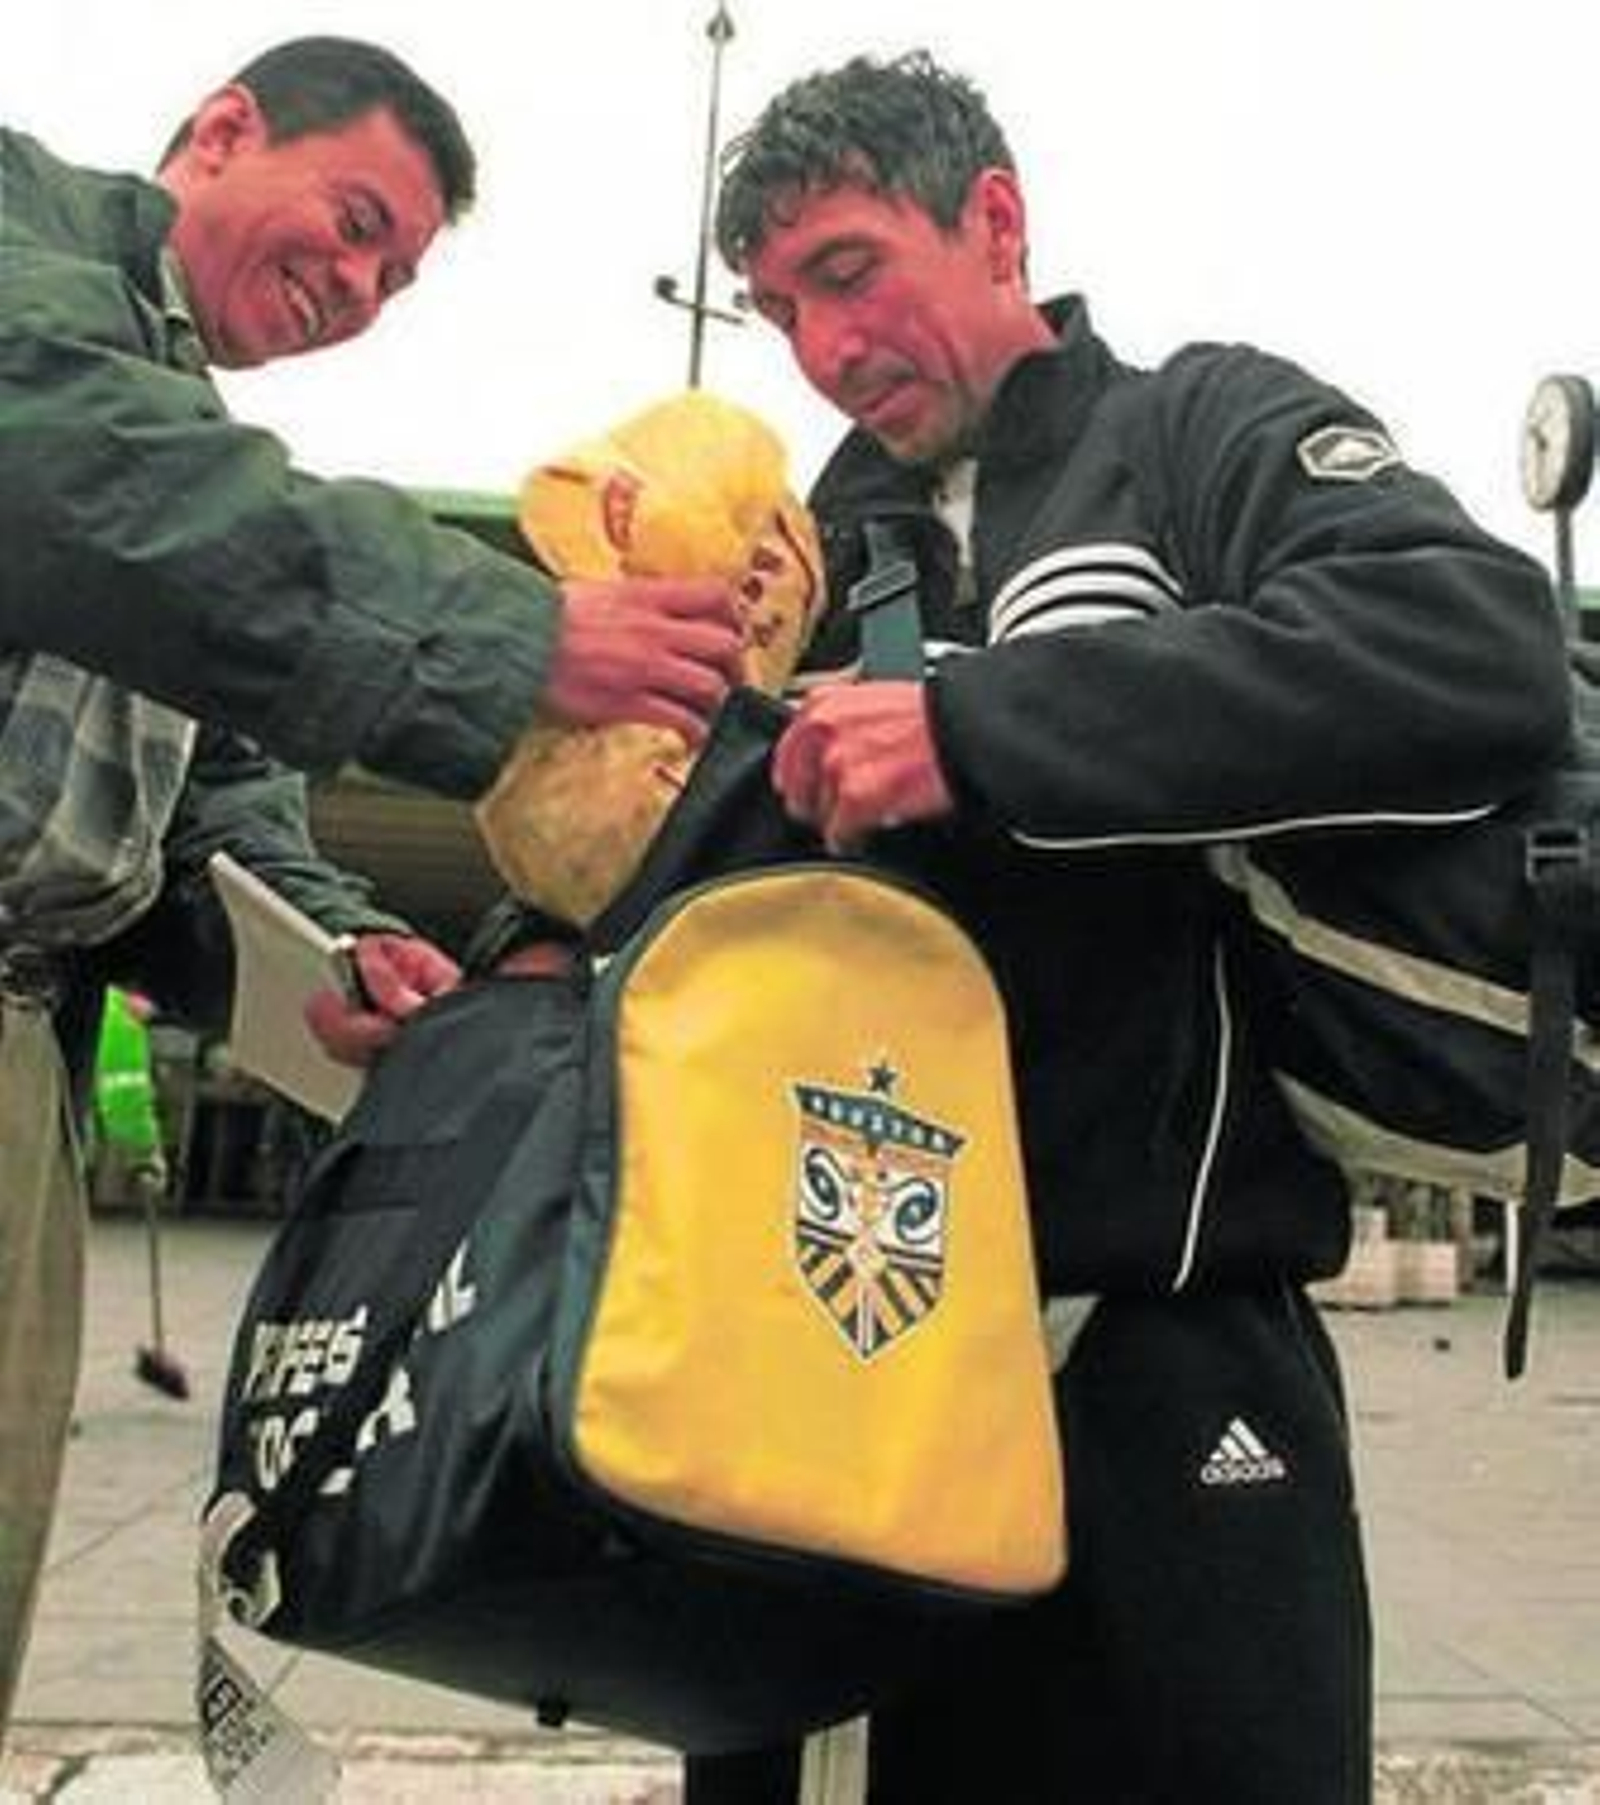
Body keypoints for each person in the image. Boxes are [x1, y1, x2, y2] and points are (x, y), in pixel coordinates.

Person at [692, 49, 1573, 1804]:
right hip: (835, 1366)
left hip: (1175, 1347)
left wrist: (976, 724)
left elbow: (1476, 644)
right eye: (780, 311)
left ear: (994, 223)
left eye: (850, 272)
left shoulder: (1194, 429)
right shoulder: (800, 552)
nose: (827, 347)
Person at [0, 35, 745, 1747]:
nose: (356, 287)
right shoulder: (29, 255)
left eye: (395, 276)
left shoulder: (181, 444)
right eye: (352, 223)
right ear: (223, 129)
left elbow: (207, 796)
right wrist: (513, 632)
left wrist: (330, 939)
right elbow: (69, 465)